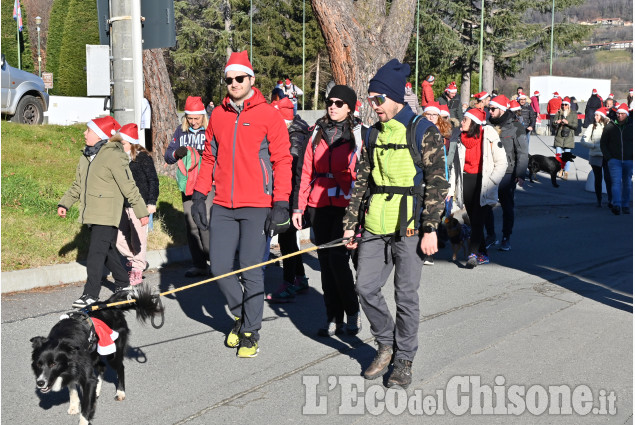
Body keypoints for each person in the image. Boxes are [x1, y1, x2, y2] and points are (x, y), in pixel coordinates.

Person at [342, 59, 449, 388]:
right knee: (364, 287)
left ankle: (404, 360)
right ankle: (386, 343)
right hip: (375, 223)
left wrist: (430, 228)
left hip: (411, 226)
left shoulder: (422, 130)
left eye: (377, 99)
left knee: (406, 295)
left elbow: (437, 183)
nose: (373, 106)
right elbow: (362, 180)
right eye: (370, 100)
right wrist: (350, 223)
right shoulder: (373, 134)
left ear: (393, 97)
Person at [191, 51, 292, 358]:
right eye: (229, 79)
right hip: (222, 204)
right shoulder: (218, 116)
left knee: (251, 270)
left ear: (251, 79)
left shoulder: (268, 114)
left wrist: (281, 202)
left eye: (239, 78)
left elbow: (282, 160)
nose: (233, 84)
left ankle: (251, 331)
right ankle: (241, 316)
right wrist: (199, 194)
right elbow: (208, 157)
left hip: (257, 205)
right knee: (220, 267)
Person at [58, 116, 149, 308]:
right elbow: (78, 185)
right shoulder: (86, 156)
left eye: (88, 130)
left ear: (99, 135)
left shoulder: (113, 155)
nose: (84, 133)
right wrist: (65, 203)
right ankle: (124, 284)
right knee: (107, 250)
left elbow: (129, 185)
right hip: (92, 211)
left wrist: (141, 212)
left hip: (107, 213)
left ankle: (90, 294)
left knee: (96, 253)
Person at [292, 85, 361, 336]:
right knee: (325, 263)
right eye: (329, 101)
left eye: (339, 103)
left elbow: (364, 175)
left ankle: (352, 312)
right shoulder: (316, 132)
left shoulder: (358, 134)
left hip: (347, 207)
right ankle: (333, 316)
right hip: (319, 205)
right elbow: (304, 171)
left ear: (350, 107)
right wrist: (298, 207)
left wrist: (360, 213)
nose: (333, 106)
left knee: (338, 262)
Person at [447, 108, 507, 267]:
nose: (462, 122)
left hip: (484, 183)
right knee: (473, 221)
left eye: (465, 119)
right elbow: (455, 166)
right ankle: (483, 253)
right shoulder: (460, 138)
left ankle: (473, 254)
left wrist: (492, 182)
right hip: (466, 182)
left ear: (473, 122)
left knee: (479, 220)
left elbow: (502, 163)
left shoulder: (489, 135)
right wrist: (451, 189)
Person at [267, 97, 310, 303]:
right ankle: (299, 278)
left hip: (293, 193)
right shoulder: (291, 130)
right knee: (288, 238)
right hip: (288, 192)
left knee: (286, 237)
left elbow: (292, 166)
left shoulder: (295, 136)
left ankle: (289, 282)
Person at [164, 96, 213, 277]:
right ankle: (199, 264)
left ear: (203, 116)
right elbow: (168, 156)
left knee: (205, 222)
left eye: (196, 118)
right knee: (191, 225)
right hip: (188, 185)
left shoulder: (210, 130)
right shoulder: (181, 131)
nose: (193, 122)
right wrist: (177, 152)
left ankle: (215, 261)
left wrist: (205, 154)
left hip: (207, 183)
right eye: (190, 118)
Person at [115, 123, 159, 285]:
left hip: (139, 205)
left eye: (123, 143)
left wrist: (151, 202)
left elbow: (153, 181)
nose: (120, 146)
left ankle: (137, 269)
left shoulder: (142, 158)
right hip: (122, 205)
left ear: (132, 143)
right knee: (119, 239)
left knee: (138, 239)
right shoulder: (118, 159)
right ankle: (137, 262)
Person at [484, 95, 528, 252]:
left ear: (502, 110)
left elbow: (523, 152)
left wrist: (521, 173)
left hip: (508, 172)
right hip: (488, 171)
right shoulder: (487, 125)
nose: (490, 111)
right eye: (489, 108)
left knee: (507, 206)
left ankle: (506, 237)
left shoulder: (516, 127)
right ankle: (490, 235)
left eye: (493, 108)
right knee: (486, 205)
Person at [601, 103, 633, 215]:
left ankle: (625, 205)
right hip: (614, 160)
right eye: (618, 113)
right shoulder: (610, 126)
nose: (619, 115)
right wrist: (609, 157)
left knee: (627, 183)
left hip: (629, 160)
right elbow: (603, 143)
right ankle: (617, 204)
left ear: (627, 115)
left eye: (622, 114)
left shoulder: (631, 126)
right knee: (616, 182)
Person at [580, 107, 612, 208]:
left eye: (597, 115)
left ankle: (611, 199)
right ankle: (599, 200)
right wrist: (593, 145)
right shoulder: (591, 126)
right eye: (595, 115)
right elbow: (583, 140)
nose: (595, 117)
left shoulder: (609, 126)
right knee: (598, 179)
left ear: (602, 116)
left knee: (608, 178)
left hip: (607, 156)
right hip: (595, 156)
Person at [553, 97, 578, 180]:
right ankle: (560, 169)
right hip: (559, 136)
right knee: (558, 156)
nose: (564, 106)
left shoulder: (573, 113)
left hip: (568, 137)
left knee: (567, 156)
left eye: (565, 104)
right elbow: (553, 124)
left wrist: (568, 123)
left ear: (569, 105)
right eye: (562, 104)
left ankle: (566, 172)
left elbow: (575, 126)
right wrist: (556, 122)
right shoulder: (559, 113)